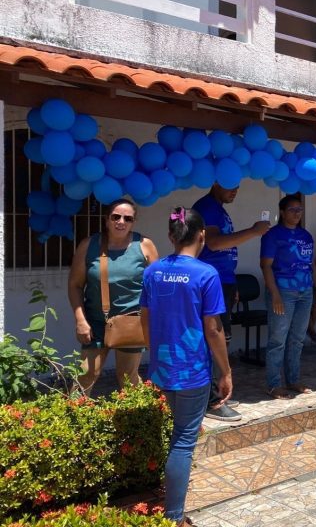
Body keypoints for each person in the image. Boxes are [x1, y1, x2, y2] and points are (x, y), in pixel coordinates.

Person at [140, 207, 232, 527]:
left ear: (170, 236)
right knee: (183, 440)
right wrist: (226, 371)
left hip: (163, 367)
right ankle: (174, 517)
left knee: (176, 433)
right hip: (192, 370)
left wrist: (154, 350)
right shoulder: (206, 274)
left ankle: (172, 507)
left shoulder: (153, 272)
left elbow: (145, 317)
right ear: (202, 236)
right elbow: (214, 328)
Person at [193, 184, 270, 421]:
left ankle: (218, 392)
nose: (235, 191)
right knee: (215, 337)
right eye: (230, 187)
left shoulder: (217, 208)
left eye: (238, 187)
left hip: (223, 281)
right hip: (212, 281)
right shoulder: (207, 207)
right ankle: (212, 401)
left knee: (221, 336)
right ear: (216, 182)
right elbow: (214, 243)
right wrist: (254, 231)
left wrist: (232, 283)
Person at [68, 199, 158, 395]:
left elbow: (156, 289)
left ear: (133, 222)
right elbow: (75, 285)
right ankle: (73, 419)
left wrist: (153, 322)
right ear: (107, 219)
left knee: (127, 377)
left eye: (128, 218)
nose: (121, 222)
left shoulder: (144, 246)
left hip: (131, 321)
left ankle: (140, 419)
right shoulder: (88, 245)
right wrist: (80, 320)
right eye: (116, 217)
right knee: (86, 374)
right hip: (96, 322)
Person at [261, 195, 316, 398]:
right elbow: (266, 266)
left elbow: (310, 264)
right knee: (278, 339)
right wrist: (275, 295)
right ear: (282, 212)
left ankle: (293, 380)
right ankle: (273, 384)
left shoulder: (306, 236)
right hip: (283, 292)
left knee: (297, 339)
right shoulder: (273, 236)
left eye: (300, 209)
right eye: (292, 210)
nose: (297, 213)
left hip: (305, 292)